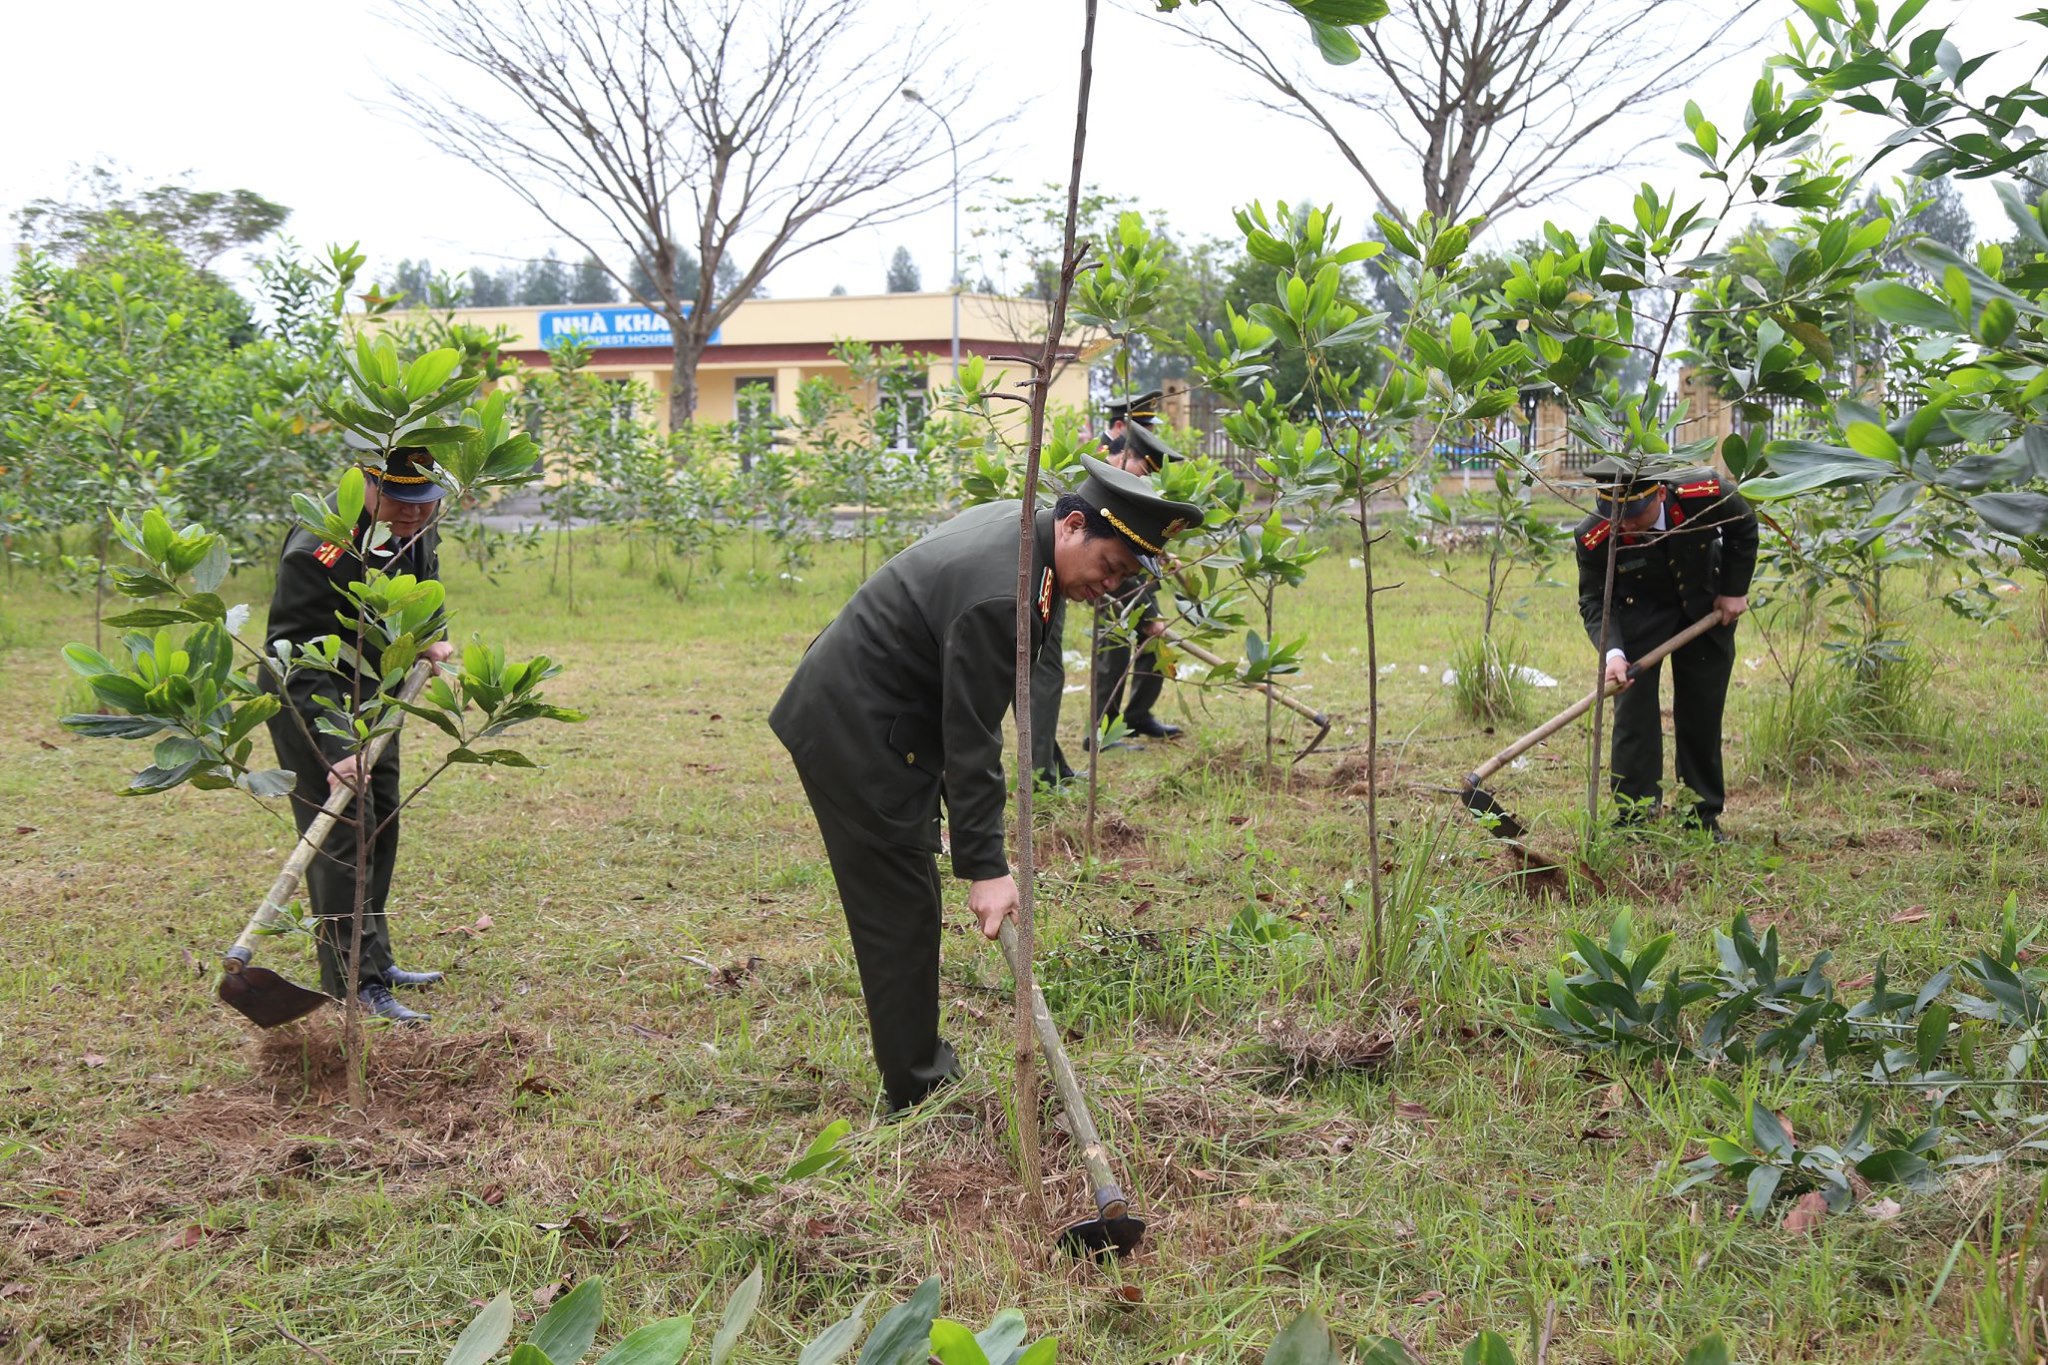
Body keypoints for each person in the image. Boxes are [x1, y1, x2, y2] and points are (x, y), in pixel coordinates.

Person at [770, 456, 1206, 1111]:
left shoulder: (1027, 535)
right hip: (853, 729)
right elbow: (973, 733)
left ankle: (921, 1068)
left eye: (1123, 577)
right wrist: (987, 868)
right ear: (1074, 525)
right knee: (900, 913)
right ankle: (916, 1091)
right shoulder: (1005, 594)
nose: (1110, 586)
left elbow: (960, 711)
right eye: (1110, 566)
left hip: (884, 712)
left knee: (910, 895)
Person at [263, 441, 455, 1023]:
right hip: (311, 692)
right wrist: (336, 749)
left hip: (374, 686)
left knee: (382, 820)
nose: (414, 513)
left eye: (425, 501)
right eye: (399, 500)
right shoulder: (318, 548)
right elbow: (292, 652)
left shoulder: (416, 521)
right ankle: (354, 981)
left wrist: (429, 637)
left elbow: (423, 582)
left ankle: (375, 959)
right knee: (346, 835)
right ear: (365, 482)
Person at [1574, 455, 1758, 839]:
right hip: (1639, 616)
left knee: (1701, 713)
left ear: (1659, 493)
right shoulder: (1594, 535)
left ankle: (1700, 817)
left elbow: (1744, 525)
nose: (1624, 525)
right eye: (1615, 516)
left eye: (1633, 515)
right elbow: (1593, 600)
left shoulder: (1702, 491)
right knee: (1633, 718)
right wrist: (1613, 654)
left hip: (1705, 605)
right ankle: (1635, 817)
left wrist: (1733, 590)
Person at [1091, 417, 1181, 744]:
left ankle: (1138, 716)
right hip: (1111, 582)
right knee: (1114, 653)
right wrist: (1148, 616)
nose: (1143, 479)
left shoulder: (1126, 481)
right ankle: (1101, 732)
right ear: (1126, 454)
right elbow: (1111, 553)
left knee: (1155, 645)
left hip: (1137, 579)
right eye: (1142, 470)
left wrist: (1161, 554)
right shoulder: (1102, 483)